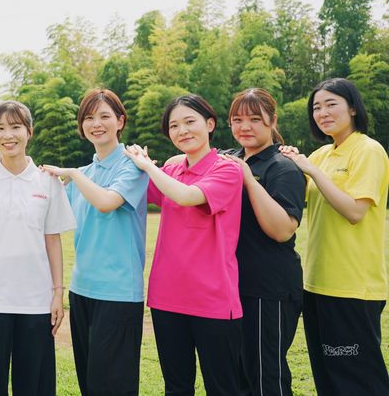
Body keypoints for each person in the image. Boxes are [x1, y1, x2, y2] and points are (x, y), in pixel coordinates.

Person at [124, 94, 243, 396]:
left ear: (210, 124)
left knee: (224, 388)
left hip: (213, 300)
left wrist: (148, 166)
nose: (182, 131)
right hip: (166, 297)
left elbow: (187, 196)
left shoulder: (227, 170)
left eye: (190, 122)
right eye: (174, 126)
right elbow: (129, 192)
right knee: (176, 387)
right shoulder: (170, 172)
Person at [0, 100, 75, 396]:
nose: (8, 135)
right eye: (0, 128)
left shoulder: (48, 181)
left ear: (29, 132)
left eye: (16, 127)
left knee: (34, 385)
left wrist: (57, 294)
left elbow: (53, 240)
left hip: (36, 301)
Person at [280, 78, 389, 395]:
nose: (323, 112)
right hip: (316, 284)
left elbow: (355, 211)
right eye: (316, 107)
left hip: (353, 286)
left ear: (353, 108)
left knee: (357, 380)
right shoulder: (321, 154)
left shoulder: (368, 150)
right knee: (328, 377)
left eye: (331, 104)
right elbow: (291, 198)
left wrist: (312, 171)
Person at [40, 89, 148, 396]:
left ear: (120, 121)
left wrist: (73, 174)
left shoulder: (134, 166)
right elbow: (45, 214)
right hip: (81, 290)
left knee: (111, 386)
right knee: (89, 383)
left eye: (104, 116)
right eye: (88, 118)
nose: (96, 124)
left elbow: (106, 202)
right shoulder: (84, 174)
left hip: (118, 293)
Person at [221, 88, 305, 395]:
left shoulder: (283, 167)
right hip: (231, 286)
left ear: (272, 120)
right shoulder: (228, 159)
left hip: (268, 288)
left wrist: (247, 177)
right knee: (237, 374)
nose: (245, 126)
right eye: (237, 119)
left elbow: (283, 230)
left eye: (255, 119)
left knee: (265, 376)